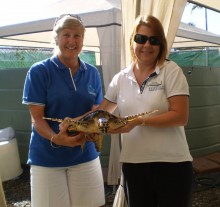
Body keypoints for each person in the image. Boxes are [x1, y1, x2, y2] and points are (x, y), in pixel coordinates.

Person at [96, 14, 193, 207]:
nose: (146, 45)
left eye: (153, 40)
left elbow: (180, 116)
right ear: (132, 41)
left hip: (172, 165)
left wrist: (139, 121)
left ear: (161, 45)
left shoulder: (171, 71)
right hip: (134, 165)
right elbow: (101, 112)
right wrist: (78, 124)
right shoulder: (120, 78)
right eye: (140, 38)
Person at [22, 14, 105, 207]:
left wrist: (95, 129)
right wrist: (56, 138)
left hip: (85, 155)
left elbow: (96, 112)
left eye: (77, 35)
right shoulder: (39, 72)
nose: (72, 41)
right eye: (66, 34)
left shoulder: (92, 72)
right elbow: (37, 119)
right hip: (47, 157)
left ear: (83, 40)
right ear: (56, 38)